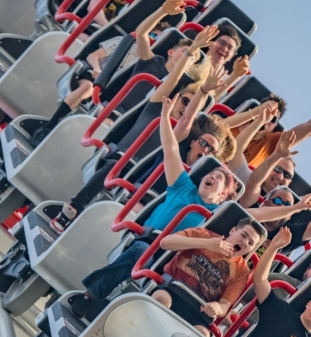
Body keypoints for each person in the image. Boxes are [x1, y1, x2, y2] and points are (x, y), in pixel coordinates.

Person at [48, 28, 220, 234]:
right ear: (175, 98)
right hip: (115, 159)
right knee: (115, 166)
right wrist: (192, 49)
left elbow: (189, 116)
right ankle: (73, 208)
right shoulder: (155, 107)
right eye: (184, 101)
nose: (185, 107)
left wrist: (203, 92)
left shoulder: (177, 133)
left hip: (135, 177)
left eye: (190, 106)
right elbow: (173, 79)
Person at [75, 100, 242, 307]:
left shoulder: (217, 215)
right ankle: (89, 297)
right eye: (211, 174)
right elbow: (171, 148)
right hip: (150, 242)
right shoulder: (183, 186)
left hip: (175, 260)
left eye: (220, 178)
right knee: (139, 254)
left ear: (224, 194)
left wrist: (294, 209)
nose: (213, 177)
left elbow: (252, 220)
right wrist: (165, 116)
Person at [151, 218, 266, 336]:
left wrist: (217, 307)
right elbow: (165, 243)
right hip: (173, 288)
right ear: (232, 231)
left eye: (250, 243)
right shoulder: (204, 235)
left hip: (198, 309)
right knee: (162, 298)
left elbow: (225, 305)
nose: (245, 242)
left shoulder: (241, 271)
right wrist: (205, 243)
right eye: (243, 235)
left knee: (202, 334)